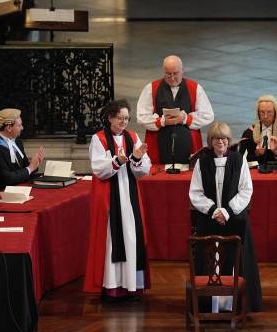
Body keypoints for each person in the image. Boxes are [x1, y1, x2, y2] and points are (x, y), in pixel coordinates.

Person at [189, 121, 263, 313]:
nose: (220, 142)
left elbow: (246, 190)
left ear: (229, 141)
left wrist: (227, 211)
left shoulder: (239, 160)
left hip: (235, 220)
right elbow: (195, 192)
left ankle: (237, 305)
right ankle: (208, 305)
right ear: (210, 141)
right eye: (216, 138)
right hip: (209, 219)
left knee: (237, 261)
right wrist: (214, 210)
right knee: (210, 261)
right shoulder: (202, 162)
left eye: (223, 138)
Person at [83, 100, 151, 300]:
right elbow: (98, 170)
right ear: (110, 117)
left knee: (131, 237)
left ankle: (132, 285)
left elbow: (144, 169)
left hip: (129, 197)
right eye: (120, 118)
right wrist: (117, 161)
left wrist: (137, 158)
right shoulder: (99, 139)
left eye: (126, 118)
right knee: (112, 239)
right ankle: (112, 285)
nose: (124, 122)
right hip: (109, 196)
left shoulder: (133, 137)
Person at [136, 55, 214, 165]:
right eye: (168, 74)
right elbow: (141, 117)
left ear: (182, 70)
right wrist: (162, 122)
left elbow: (208, 115)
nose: (172, 78)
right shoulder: (151, 88)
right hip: (159, 145)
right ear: (163, 72)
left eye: (175, 73)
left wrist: (186, 119)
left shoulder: (195, 88)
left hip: (188, 143)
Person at [0, 108, 44, 195]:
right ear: (9, 128)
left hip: (18, 192)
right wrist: (31, 168)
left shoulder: (17, 141)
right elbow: (7, 179)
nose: (22, 128)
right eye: (19, 125)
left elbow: (24, 168)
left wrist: (35, 163)